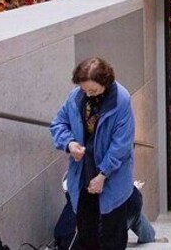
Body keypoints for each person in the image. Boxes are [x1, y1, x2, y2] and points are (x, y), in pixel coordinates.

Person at [50, 58, 135, 250]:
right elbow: (58, 123)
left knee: (112, 234)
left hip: (112, 177)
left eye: (94, 91)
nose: (88, 94)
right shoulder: (75, 97)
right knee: (86, 233)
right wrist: (69, 143)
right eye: (85, 90)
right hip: (83, 176)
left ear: (106, 83)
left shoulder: (120, 100)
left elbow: (121, 144)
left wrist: (103, 174)